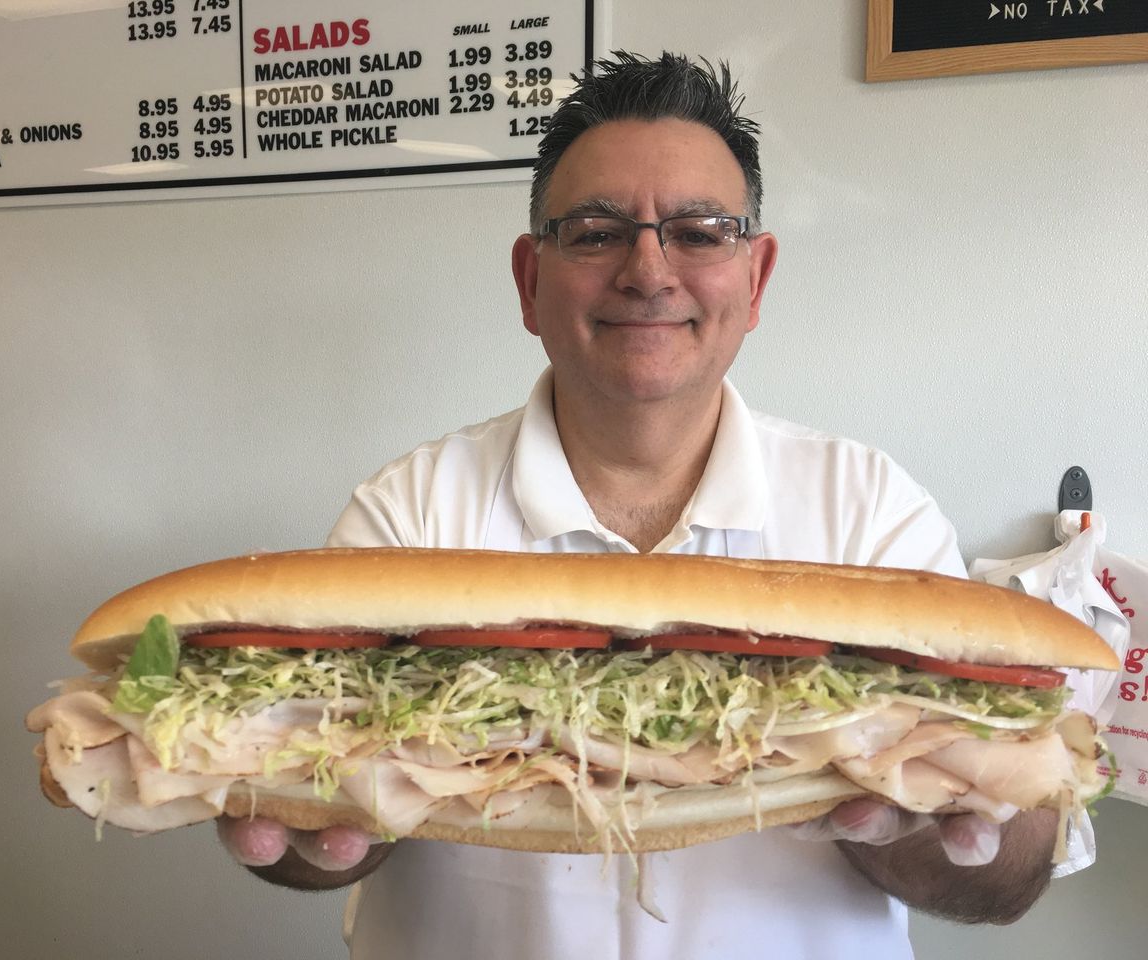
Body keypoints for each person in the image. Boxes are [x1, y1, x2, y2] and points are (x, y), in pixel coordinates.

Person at [217, 52, 1067, 958]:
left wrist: (916, 823)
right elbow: (315, 845)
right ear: (530, 280)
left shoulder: (870, 510)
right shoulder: (410, 510)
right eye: (595, 232)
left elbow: (1011, 876)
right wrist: (309, 818)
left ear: (755, 278)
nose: (649, 271)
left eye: (699, 231)